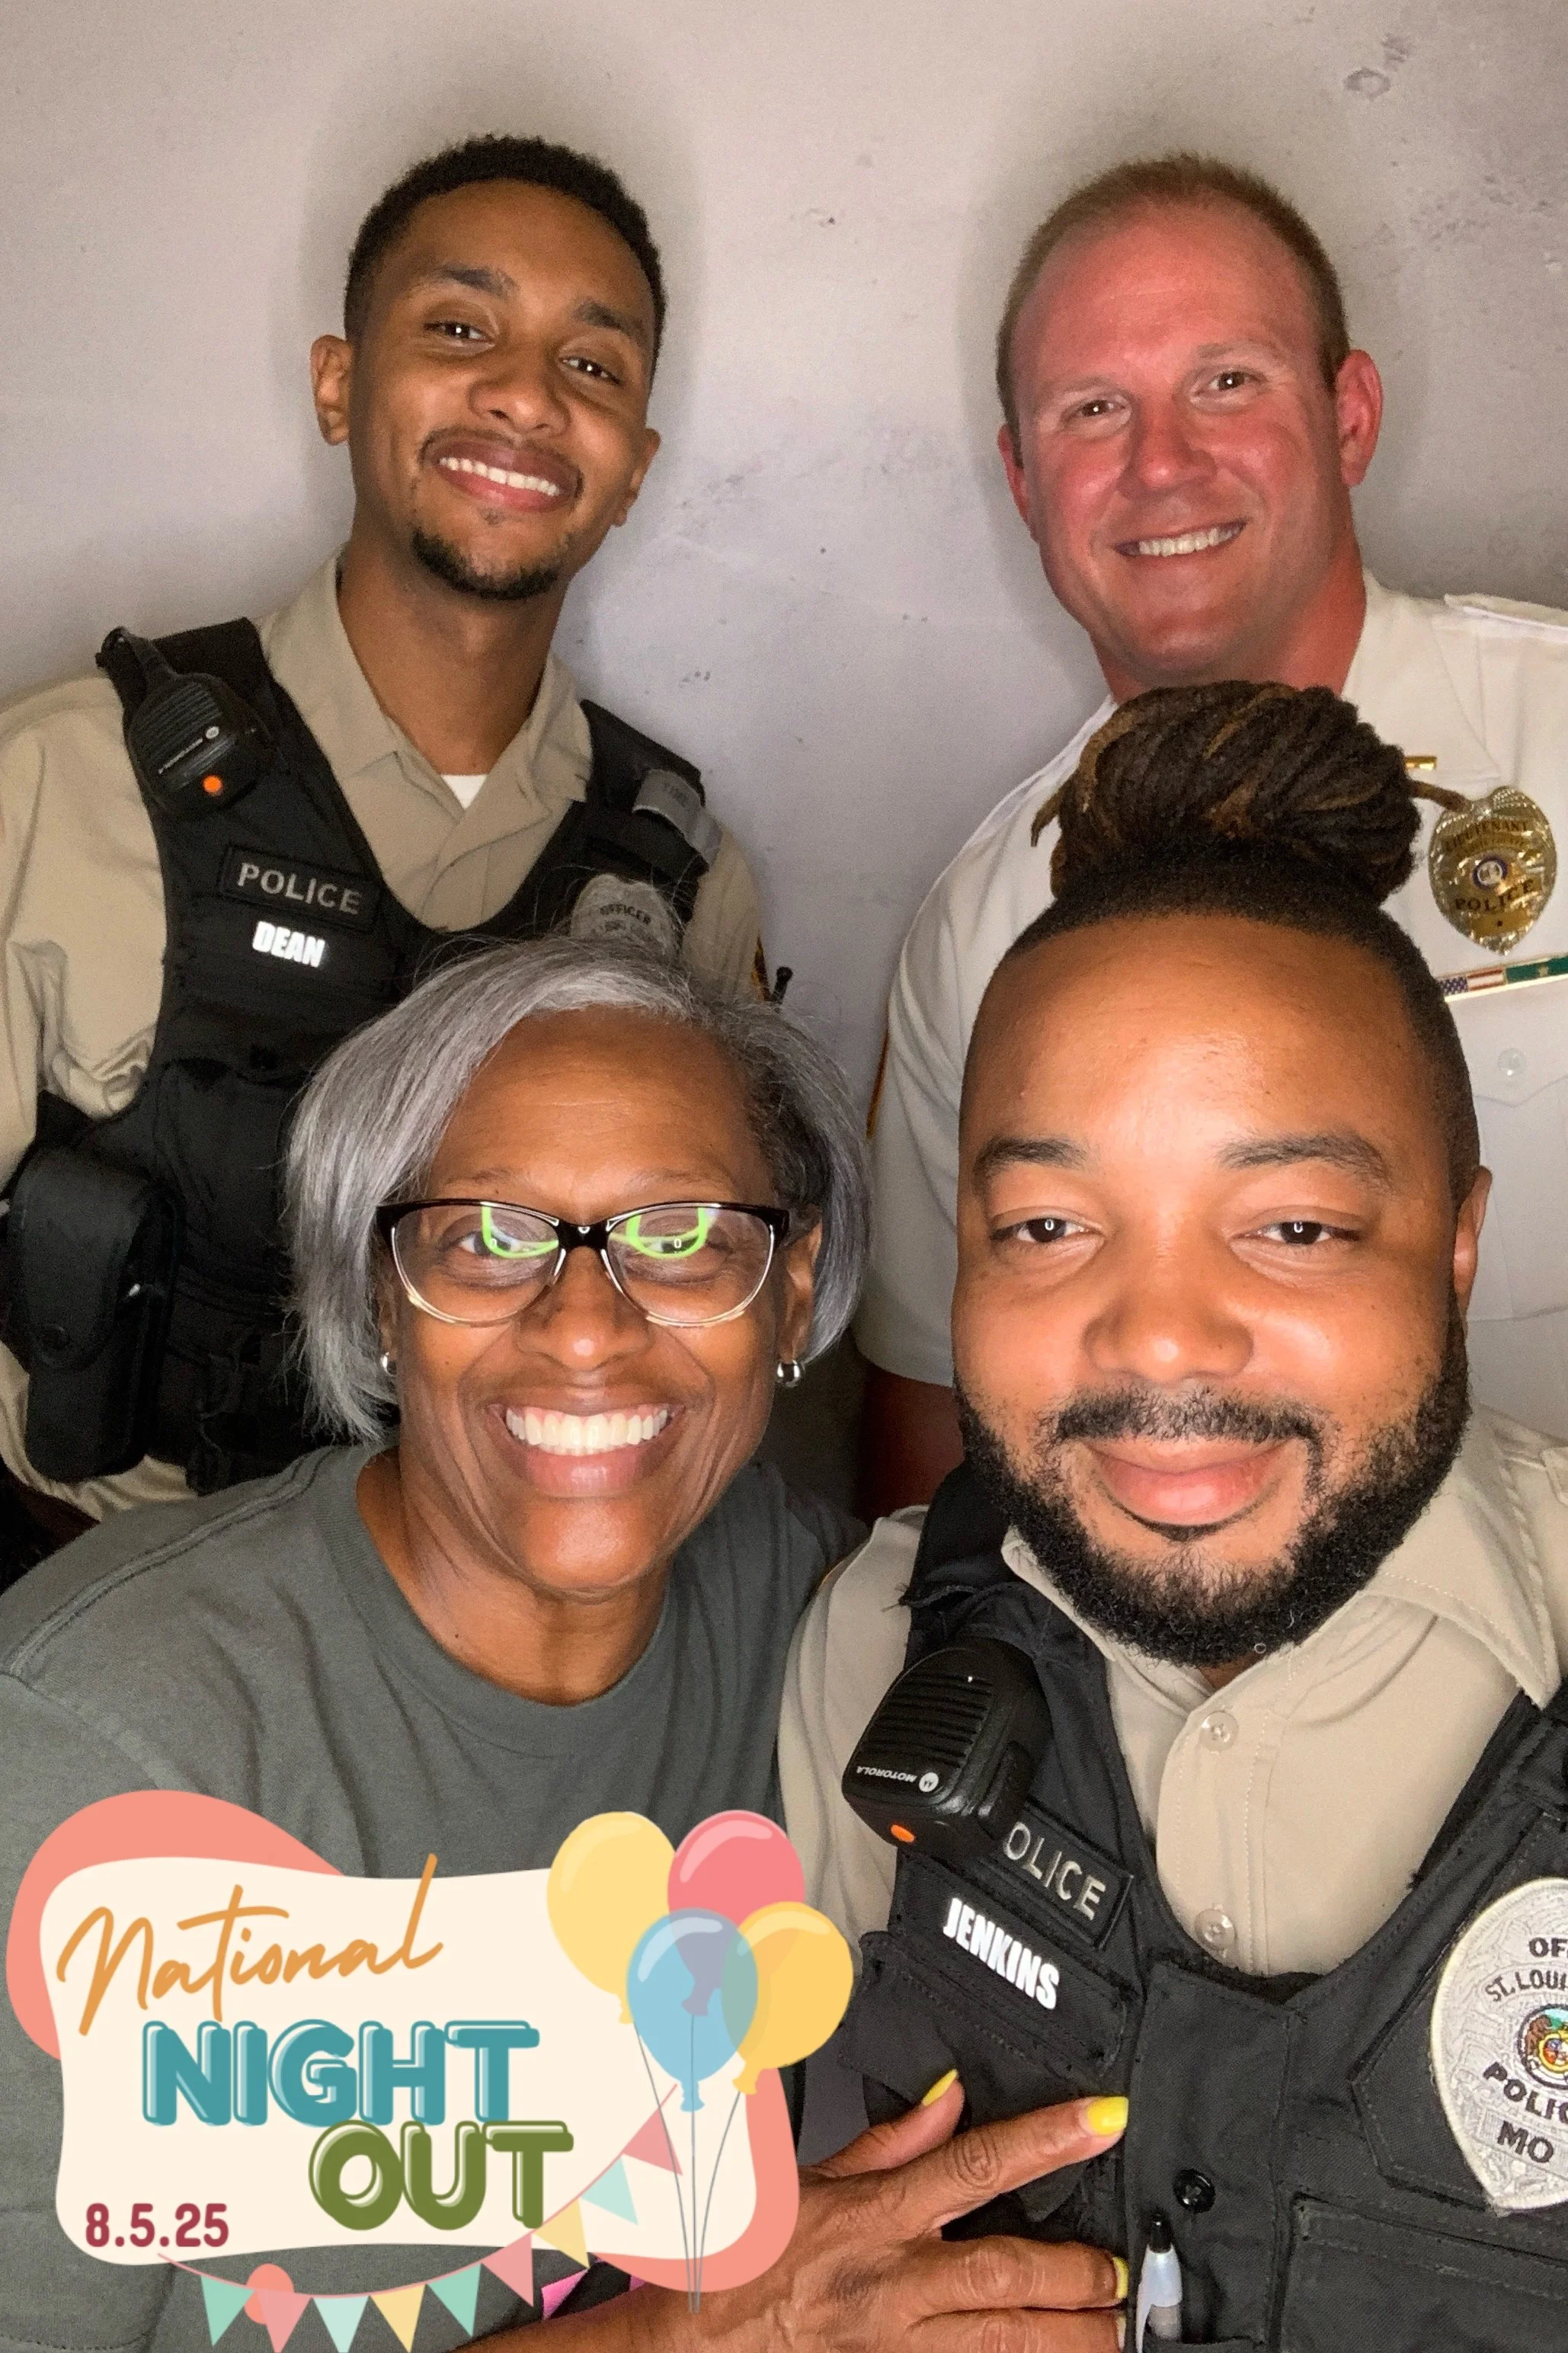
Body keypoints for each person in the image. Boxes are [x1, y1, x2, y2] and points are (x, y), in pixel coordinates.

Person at [0, 936, 1134, 2349]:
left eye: (677, 1234)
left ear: (791, 1290)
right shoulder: (96, 1746)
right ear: (374, 1294)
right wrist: (702, 2335)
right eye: (486, 1235)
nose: (586, 1326)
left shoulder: (818, 1622)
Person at [785, 686, 1568, 2345]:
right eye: (1052, 1223)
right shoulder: (871, 1642)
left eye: (1289, 1225)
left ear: (1457, 1242)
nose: (1159, 1337)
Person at [0, 133, 766, 1569]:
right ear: (340, 383)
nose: (527, 396)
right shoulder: (59, 780)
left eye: (592, 368)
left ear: (636, 466)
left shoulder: (681, 884)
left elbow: (721, 1316)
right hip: (85, 1602)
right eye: (459, 328)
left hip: (507, 1650)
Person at [858, 151, 1568, 1514]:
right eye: (1091, 408)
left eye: (1225, 382)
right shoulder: (978, 923)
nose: (1160, 464)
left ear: (1348, 415)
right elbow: (929, 1419)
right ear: (1020, 477)